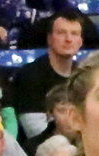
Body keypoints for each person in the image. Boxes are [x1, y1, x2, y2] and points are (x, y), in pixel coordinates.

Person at [12, 9, 87, 138]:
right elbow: (34, 131)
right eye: (61, 33)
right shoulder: (30, 74)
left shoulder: (84, 75)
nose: (68, 39)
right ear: (50, 39)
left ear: (80, 41)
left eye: (74, 34)